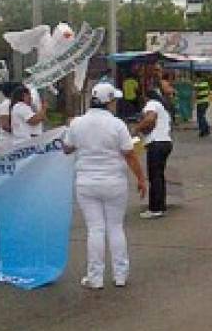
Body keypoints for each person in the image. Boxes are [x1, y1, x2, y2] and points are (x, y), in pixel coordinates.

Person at [63, 82, 148, 289]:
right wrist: (141, 179)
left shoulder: (78, 123)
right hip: (114, 182)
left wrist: (72, 128)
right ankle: (120, 275)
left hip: (86, 182)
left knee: (95, 229)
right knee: (115, 227)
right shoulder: (117, 124)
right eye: (113, 100)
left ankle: (95, 277)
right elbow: (129, 154)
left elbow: (66, 148)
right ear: (108, 102)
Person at [134, 88, 173, 218]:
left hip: (156, 143)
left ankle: (155, 208)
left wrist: (137, 129)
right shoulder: (163, 108)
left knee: (154, 177)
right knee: (159, 176)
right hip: (165, 142)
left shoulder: (152, 104)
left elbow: (150, 119)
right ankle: (161, 205)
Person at [0, 82, 16, 152]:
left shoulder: (14, 103)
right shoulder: (6, 105)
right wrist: (20, 131)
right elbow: (5, 125)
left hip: (13, 141)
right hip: (7, 142)